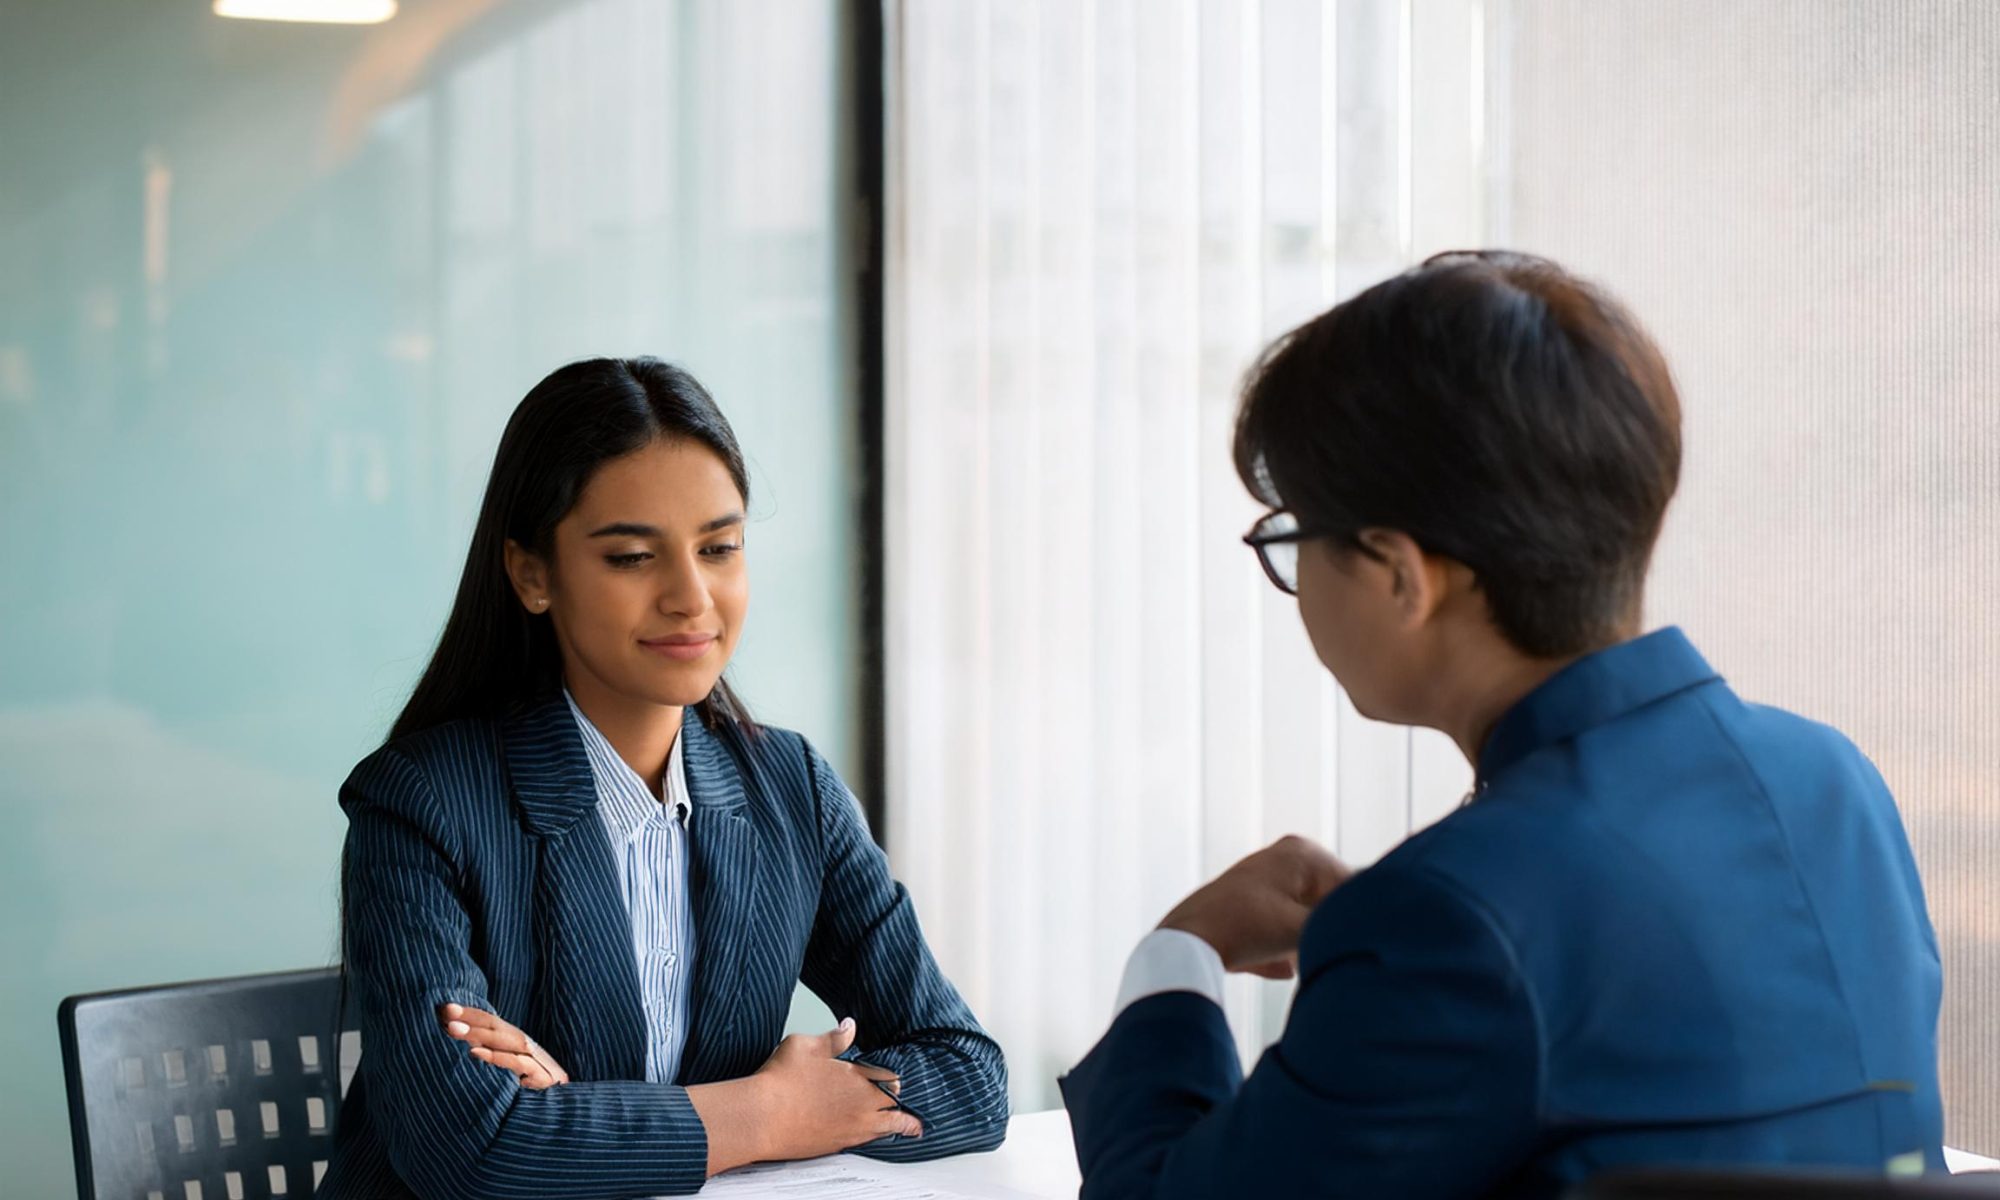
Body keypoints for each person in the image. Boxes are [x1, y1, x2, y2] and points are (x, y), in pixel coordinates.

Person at [1060, 251, 1945, 1198]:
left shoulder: (1444, 916)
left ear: (1399, 573)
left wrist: (1181, 949)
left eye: (1293, 539)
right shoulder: (1834, 784)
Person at [320, 358, 1008, 1200]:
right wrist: (764, 1113)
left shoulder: (790, 789)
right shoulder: (420, 806)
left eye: (719, 548)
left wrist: (596, 1119)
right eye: (634, 557)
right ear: (533, 574)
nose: (692, 596)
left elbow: (968, 1075)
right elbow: (473, 1148)